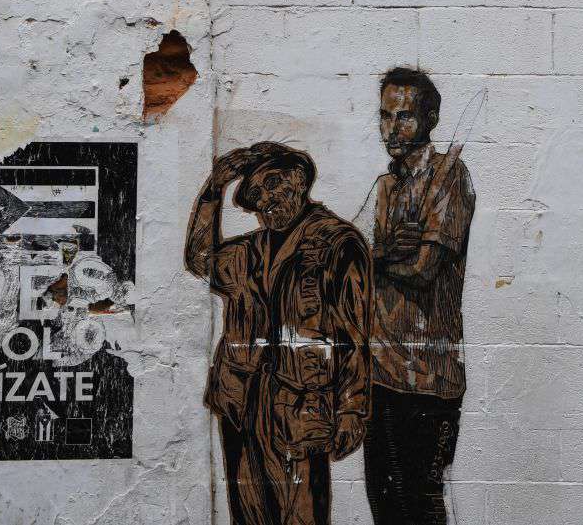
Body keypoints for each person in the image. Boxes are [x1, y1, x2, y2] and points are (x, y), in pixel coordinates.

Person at [185, 142, 372, 525]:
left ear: (299, 180)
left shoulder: (337, 242)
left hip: (300, 407)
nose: (265, 199)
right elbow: (199, 258)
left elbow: (354, 335)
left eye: (272, 184)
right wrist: (213, 188)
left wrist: (352, 409)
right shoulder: (246, 253)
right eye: (256, 195)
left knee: (302, 518)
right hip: (241, 403)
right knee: (250, 518)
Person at [361, 67, 476, 525]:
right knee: (385, 502)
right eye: (385, 116)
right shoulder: (387, 186)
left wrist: (379, 261)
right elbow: (361, 259)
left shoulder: (449, 174)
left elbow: (423, 270)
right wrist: (384, 256)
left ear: (431, 118)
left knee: (420, 505)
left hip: (429, 375)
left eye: (405, 116)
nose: (392, 128)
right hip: (380, 371)